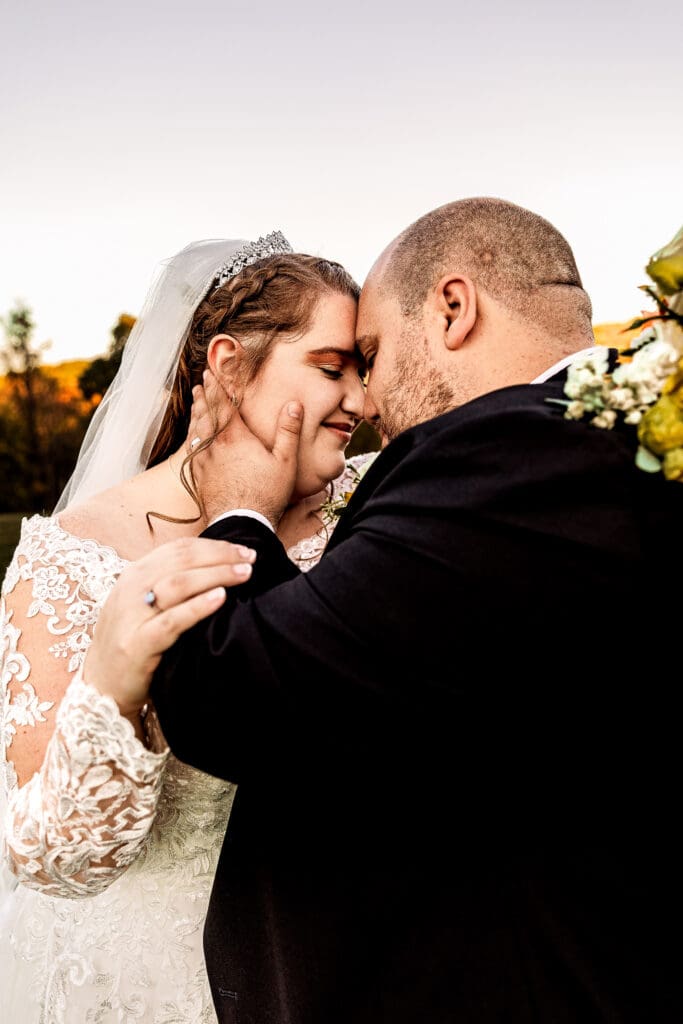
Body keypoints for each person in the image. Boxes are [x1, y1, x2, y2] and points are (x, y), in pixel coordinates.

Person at [65, 198, 683, 1022]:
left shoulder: (509, 455)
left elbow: (244, 694)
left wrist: (241, 511)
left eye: (370, 354)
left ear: (453, 309)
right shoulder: (617, 447)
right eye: (338, 365)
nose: (367, 399)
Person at [0, 231, 370, 1022]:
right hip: (142, 983)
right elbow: (50, 858)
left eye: (363, 371)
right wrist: (117, 686)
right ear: (230, 366)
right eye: (331, 368)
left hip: (337, 964)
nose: (360, 403)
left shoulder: (375, 512)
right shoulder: (71, 559)